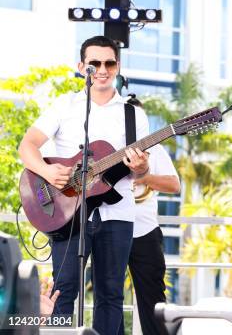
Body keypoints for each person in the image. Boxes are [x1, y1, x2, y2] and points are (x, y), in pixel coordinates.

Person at [18, 35, 150, 334]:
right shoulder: (64, 105)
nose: (102, 69)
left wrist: (141, 167)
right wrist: (49, 174)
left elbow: (139, 173)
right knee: (62, 291)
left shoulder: (134, 115)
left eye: (109, 63)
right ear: (82, 66)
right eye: (94, 63)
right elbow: (27, 146)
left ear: (118, 65)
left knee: (111, 294)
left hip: (117, 214)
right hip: (67, 213)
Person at [124, 96, 181, 335]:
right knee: (109, 299)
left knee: (154, 301)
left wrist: (143, 177)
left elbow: (174, 185)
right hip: (110, 230)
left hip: (145, 231)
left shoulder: (155, 149)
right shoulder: (105, 147)